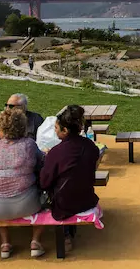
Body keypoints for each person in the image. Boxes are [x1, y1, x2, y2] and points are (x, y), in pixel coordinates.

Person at [0, 108, 46, 259]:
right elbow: (41, 161)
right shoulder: (29, 144)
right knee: (48, 197)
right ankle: (35, 241)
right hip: (27, 204)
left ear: (1, 128)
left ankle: (5, 243)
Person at [40, 105, 100, 254]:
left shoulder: (56, 152)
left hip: (64, 206)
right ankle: (67, 233)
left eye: (56, 128)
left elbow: (44, 182)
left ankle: (64, 235)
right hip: (87, 199)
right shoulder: (90, 145)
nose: (55, 130)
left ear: (65, 130)